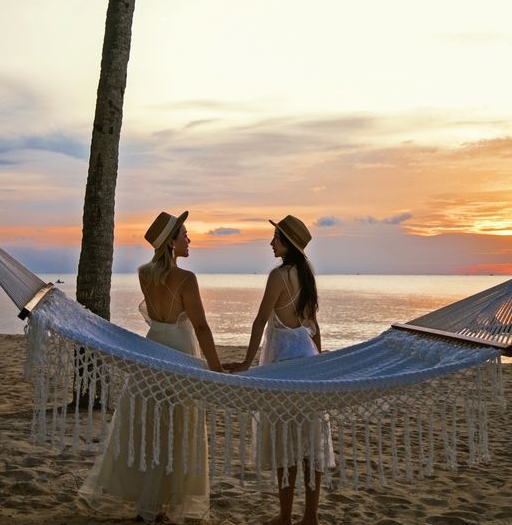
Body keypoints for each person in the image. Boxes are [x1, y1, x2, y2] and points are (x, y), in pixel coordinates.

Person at [80, 210, 223, 523]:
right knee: (177, 426)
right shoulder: (187, 278)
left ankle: (150, 504)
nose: (189, 239)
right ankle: (163, 503)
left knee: (150, 425)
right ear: (171, 243)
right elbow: (200, 326)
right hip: (180, 353)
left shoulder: (145, 274)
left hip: (152, 349)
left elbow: (160, 317)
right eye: (184, 235)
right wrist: (216, 369)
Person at [227, 215, 332, 525]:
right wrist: (322, 361)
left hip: (285, 363)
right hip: (308, 359)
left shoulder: (278, 276)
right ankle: (310, 517)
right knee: (311, 442)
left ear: (288, 244)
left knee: (286, 442)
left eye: (276, 238)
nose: (271, 242)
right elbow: (314, 325)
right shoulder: (306, 275)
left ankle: (285, 516)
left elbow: (260, 320)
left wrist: (247, 362)